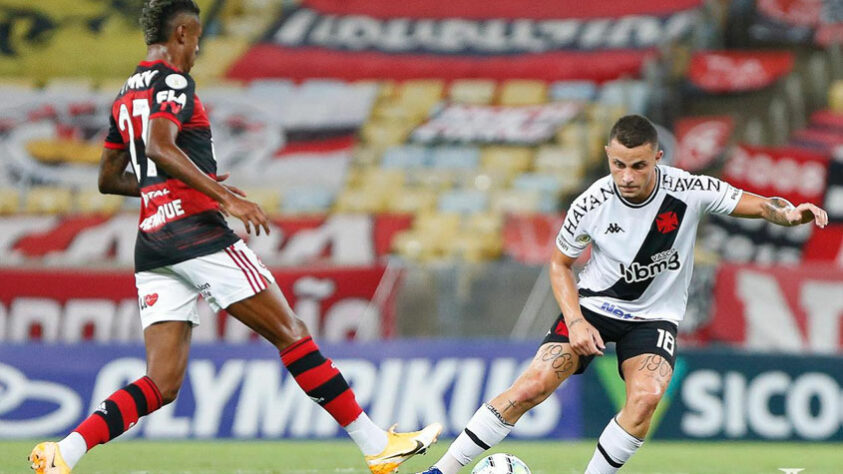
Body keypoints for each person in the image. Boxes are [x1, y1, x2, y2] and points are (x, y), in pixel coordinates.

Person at [28, 1, 441, 473]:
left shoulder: (125, 95)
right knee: (292, 334)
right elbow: (160, 147)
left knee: (161, 382)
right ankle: (376, 446)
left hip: (153, 243)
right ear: (182, 32)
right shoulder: (174, 82)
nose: (199, 49)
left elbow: (109, 177)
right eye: (198, 38)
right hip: (196, 235)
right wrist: (222, 196)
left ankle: (63, 453)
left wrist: (177, 184)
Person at [419, 115, 828, 474]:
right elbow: (559, 264)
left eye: (638, 165)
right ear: (607, 155)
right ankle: (441, 470)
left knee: (646, 400)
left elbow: (755, 204)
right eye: (618, 165)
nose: (627, 176)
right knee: (533, 386)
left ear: (658, 157)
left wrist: (789, 213)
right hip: (594, 308)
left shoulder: (689, 189)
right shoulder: (590, 203)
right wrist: (576, 320)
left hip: (654, 317)